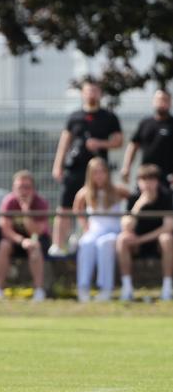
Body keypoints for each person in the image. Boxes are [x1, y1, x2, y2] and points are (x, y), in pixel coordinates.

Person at [50, 80, 122, 256]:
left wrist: (100, 143)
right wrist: (57, 165)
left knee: (96, 206)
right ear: (83, 94)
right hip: (74, 170)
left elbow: (118, 141)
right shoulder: (74, 117)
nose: (91, 94)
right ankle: (58, 245)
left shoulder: (109, 117)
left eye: (95, 91)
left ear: (100, 94)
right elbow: (65, 141)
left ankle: (86, 237)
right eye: (88, 91)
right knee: (65, 206)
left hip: (98, 173)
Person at [73, 157, 129, 302]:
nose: (99, 175)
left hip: (113, 231)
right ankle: (83, 287)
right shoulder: (85, 192)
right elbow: (77, 209)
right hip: (94, 231)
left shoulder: (117, 190)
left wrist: (127, 223)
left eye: (102, 171)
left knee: (104, 244)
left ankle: (106, 288)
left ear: (107, 173)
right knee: (86, 243)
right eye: (95, 172)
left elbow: (132, 199)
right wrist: (85, 226)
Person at [116, 164, 173, 302]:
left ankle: (167, 288)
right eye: (143, 180)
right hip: (137, 243)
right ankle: (127, 289)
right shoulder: (134, 197)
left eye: (151, 180)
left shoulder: (166, 197)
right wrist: (139, 205)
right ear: (138, 182)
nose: (147, 184)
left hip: (157, 242)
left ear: (157, 181)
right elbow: (126, 227)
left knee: (167, 239)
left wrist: (141, 240)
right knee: (122, 239)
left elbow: (168, 227)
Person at [0, 170, 51, 301]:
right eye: (20, 187)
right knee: (3, 245)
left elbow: (37, 232)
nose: (23, 191)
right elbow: (5, 229)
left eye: (27, 187)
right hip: (16, 239)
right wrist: (22, 241)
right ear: (14, 188)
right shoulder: (9, 201)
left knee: (35, 248)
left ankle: (38, 291)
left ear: (33, 189)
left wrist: (26, 212)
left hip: (36, 239)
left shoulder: (40, 203)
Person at [121, 89, 173, 189]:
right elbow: (133, 145)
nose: (161, 102)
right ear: (153, 101)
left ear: (170, 102)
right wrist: (126, 167)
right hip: (145, 176)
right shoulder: (145, 123)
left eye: (165, 100)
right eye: (159, 99)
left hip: (168, 177)